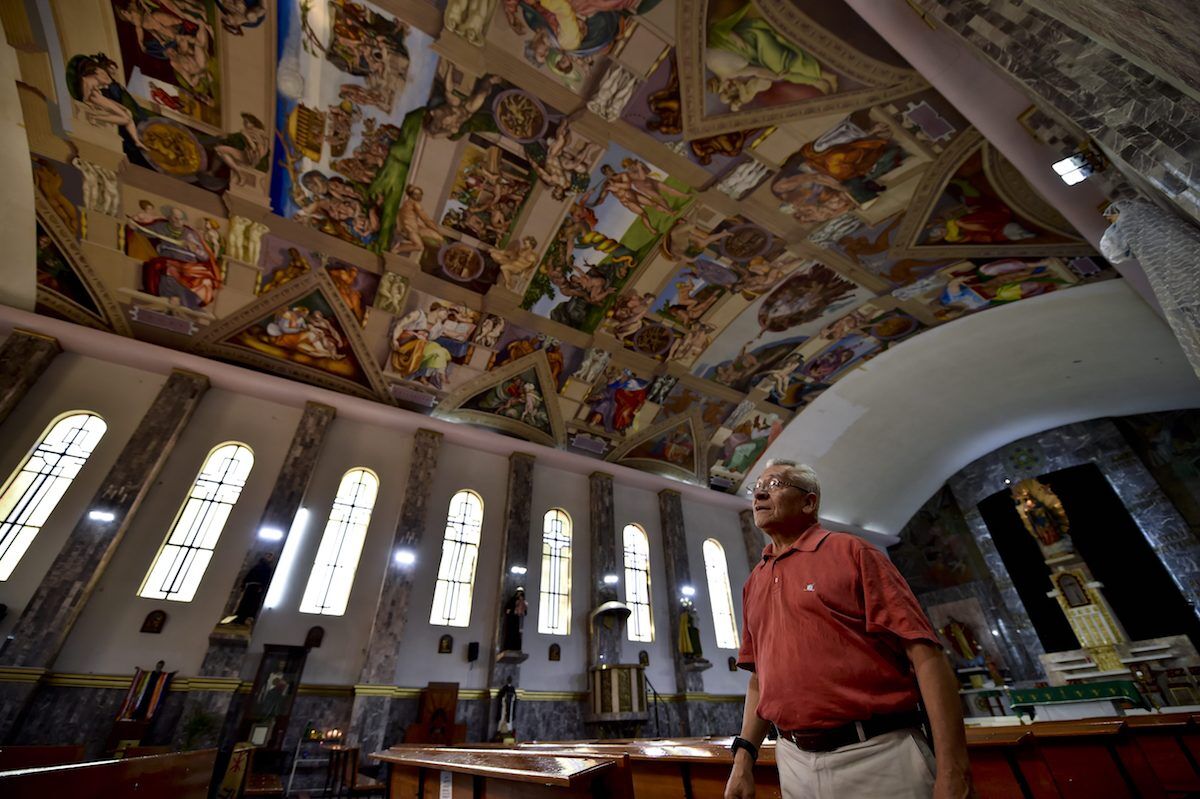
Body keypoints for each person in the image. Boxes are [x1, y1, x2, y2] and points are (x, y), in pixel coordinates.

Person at [725, 460, 970, 799]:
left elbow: (926, 655)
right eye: (757, 488)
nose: (760, 494)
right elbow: (759, 680)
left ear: (809, 502)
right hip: (793, 761)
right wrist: (743, 761)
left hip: (878, 755)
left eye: (776, 484)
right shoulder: (754, 582)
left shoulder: (852, 552)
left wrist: (953, 771)